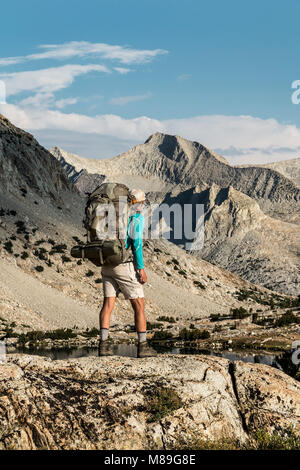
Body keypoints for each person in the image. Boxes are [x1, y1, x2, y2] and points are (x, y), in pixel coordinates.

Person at [98, 188, 157, 358]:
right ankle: (143, 346)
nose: (144, 205)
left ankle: (104, 346)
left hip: (106, 264)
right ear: (137, 203)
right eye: (143, 202)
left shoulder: (112, 214)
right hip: (123, 265)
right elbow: (137, 245)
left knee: (108, 304)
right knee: (138, 305)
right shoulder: (135, 218)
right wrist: (141, 269)